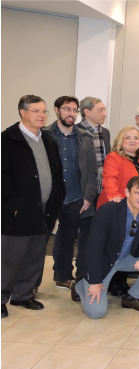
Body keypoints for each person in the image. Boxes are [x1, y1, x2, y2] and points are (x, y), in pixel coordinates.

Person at [2, 95, 65, 318]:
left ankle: (23, 294)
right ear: (22, 112)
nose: (41, 115)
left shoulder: (48, 140)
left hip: (44, 210)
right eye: (36, 111)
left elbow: (57, 175)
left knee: (34, 256)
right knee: (10, 259)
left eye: (44, 111)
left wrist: (56, 202)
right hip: (16, 213)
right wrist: (14, 205)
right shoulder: (7, 140)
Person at [74, 177, 139, 318]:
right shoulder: (108, 210)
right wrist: (95, 281)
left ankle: (132, 297)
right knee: (96, 313)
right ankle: (82, 284)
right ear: (127, 192)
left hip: (126, 258)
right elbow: (94, 248)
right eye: (138, 193)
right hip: (103, 262)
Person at [44, 96, 97, 290]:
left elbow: (92, 171)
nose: (71, 113)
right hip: (50, 197)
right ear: (57, 110)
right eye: (67, 109)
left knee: (67, 237)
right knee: (41, 239)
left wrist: (88, 196)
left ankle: (62, 275)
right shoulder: (45, 135)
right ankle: (30, 281)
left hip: (76, 196)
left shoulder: (85, 137)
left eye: (74, 110)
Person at [93, 127, 139, 299]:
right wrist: (114, 197)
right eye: (128, 137)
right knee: (114, 246)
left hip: (136, 211)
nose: (133, 141)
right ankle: (107, 281)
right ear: (120, 141)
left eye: (136, 138)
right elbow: (109, 178)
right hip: (117, 209)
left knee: (129, 245)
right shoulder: (114, 157)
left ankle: (120, 280)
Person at [76, 97, 111, 289]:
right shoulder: (77, 133)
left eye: (104, 110)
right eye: (100, 110)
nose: (104, 114)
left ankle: (96, 271)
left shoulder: (104, 132)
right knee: (85, 235)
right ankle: (80, 275)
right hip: (86, 193)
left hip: (104, 193)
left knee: (101, 235)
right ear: (87, 111)